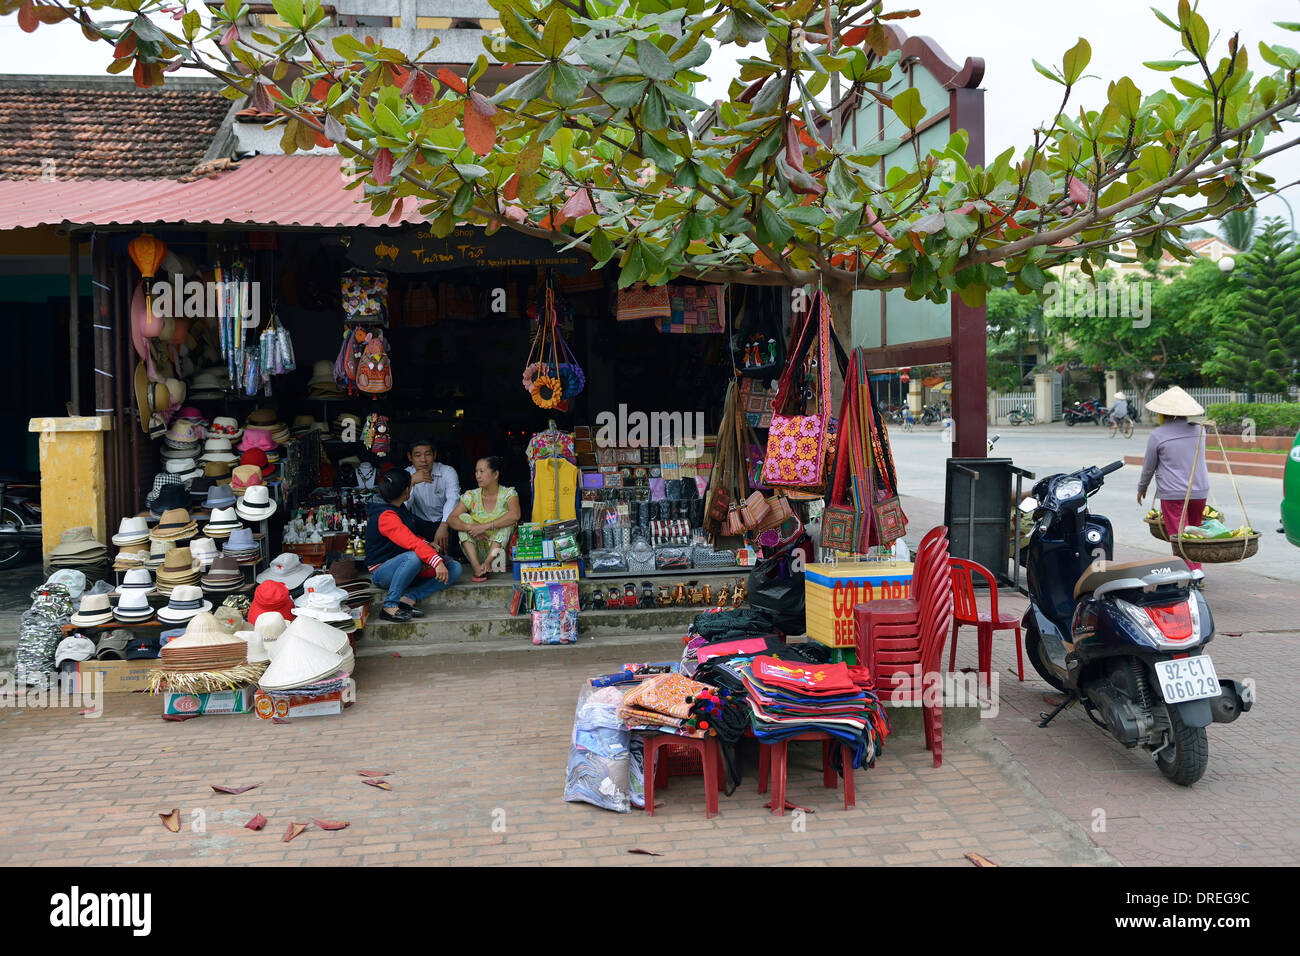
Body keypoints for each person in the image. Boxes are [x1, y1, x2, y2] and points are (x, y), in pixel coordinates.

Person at [365, 470, 463, 622]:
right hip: (382, 571)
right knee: (414, 557)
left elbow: (410, 536)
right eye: (411, 486)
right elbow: (410, 542)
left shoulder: (397, 507)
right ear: (406, 492)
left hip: (405, 564)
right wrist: (434, 561)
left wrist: (428, 546)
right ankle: (389, 606)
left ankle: (409, 599)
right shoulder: (386, 516)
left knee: (454, 567)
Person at [1136, 386, 1211, 575]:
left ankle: (1191, 572)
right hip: (1199, 491)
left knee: (1178, 535)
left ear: (1163, 414)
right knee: (1194, 532)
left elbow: (1149, 466)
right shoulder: (1200, 431)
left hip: (1174, 494)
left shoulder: (1158, 435)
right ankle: (1197, 568)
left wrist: (1142, 488)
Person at [446, 456, 520, 583]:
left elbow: (515, 515)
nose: (477, 476)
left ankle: (488, 563)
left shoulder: (509, 494)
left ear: (495, 474)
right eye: (476, 472)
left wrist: (484, 527)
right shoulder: (471, 495)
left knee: (507, 521)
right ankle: (477, 568)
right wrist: (471, 528)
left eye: (481, 471)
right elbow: (451, 519)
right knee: (463, 519)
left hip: (500, 557)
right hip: (478, 553)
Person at [403, 438, 460, 553]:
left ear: (435, 455)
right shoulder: (406, 474)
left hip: (445, 521)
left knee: (462, 520)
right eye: (418, 455)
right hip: (420, 523)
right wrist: (411, 482)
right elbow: (403, 507)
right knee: (405, 520)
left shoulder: (447, 472)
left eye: (427, 454)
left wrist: (444, 525)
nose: (423, 460)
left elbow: (453, 499)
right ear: (410, 457)